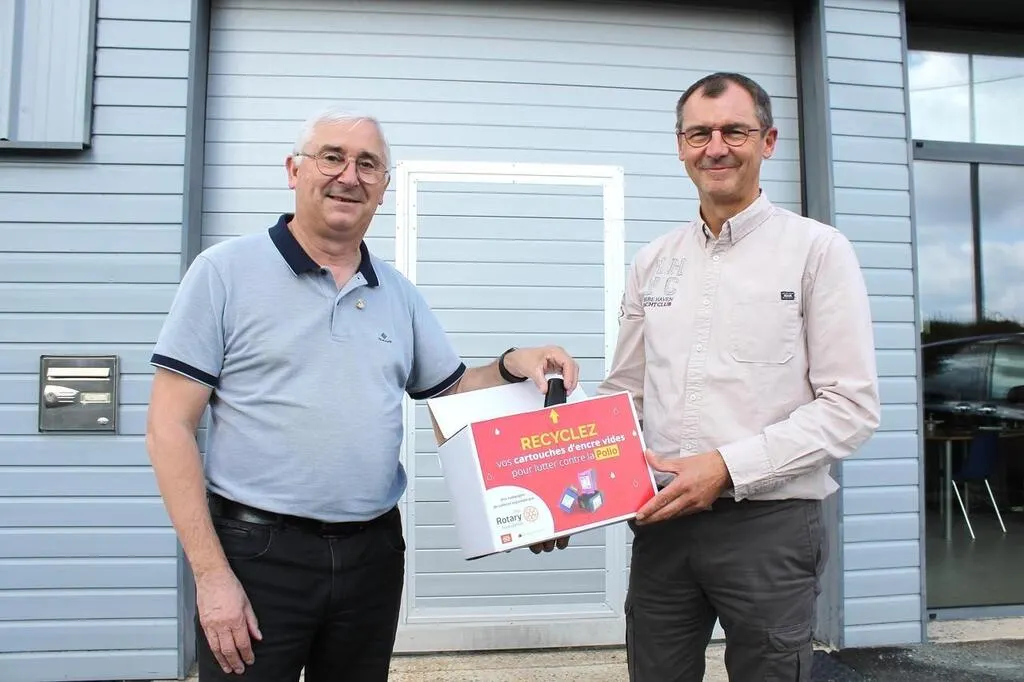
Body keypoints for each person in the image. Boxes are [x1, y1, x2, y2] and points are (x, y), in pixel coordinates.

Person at [144, 106, 579, 681]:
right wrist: (211, 574)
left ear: (383, 186)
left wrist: (511, 364)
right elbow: (168, 427)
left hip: (372, 556)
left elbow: (451, 392)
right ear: (294, 170)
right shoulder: (223, 272)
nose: (349, 176)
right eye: (332, 157)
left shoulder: (397, 293)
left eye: (368, 164)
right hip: (256, 555)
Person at [540, 72, 881, 679]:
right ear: (680, 146)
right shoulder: (654, 261)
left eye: (734, 132)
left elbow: (849, 408)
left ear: (768, 141)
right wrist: (562, 494)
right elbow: (627, 396)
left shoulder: (817, 251)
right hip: (663, 522)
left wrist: (725, 468)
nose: (715, 147)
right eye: (699, 133)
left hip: (770, 525)